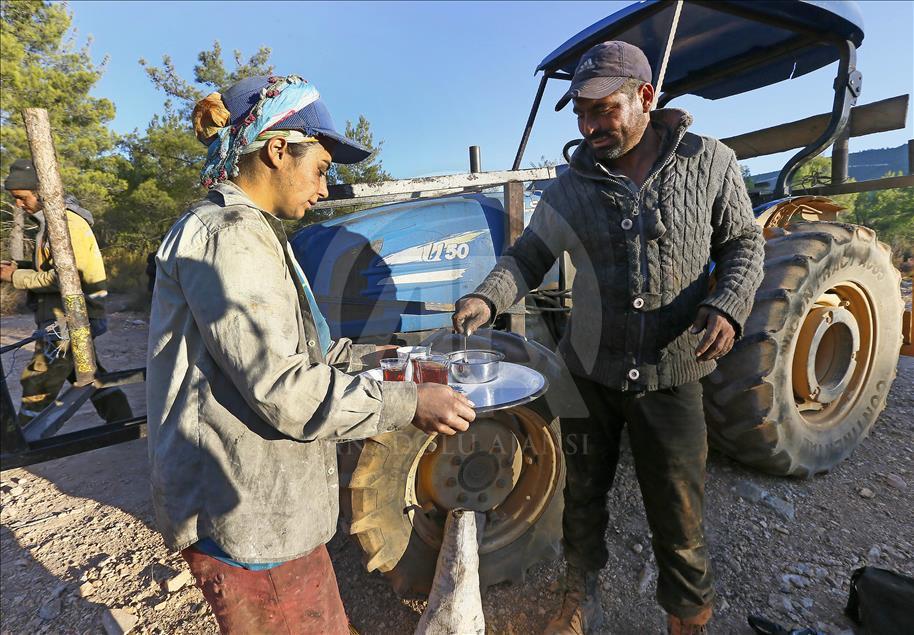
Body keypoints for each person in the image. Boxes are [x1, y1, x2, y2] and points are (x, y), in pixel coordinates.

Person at [453, 42, 765, 635]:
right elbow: (530, 255)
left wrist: (727, 305)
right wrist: (487, 295)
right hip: (589, 373)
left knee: (678, 509)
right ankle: (579, 599)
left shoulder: (709, 162)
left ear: (646, 98)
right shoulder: (572, 186)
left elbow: (745, 245)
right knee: (583, 497)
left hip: (673, 371)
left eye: (605, 109)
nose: (591, 125)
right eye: (581, 113)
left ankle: (687, 616)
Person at [146, 75, 476, 635]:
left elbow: (307, 354)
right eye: (321, 167)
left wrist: (387, 360)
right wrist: (407, 403)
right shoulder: (230, 235)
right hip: (248, 517)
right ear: (278, 149)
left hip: (266, 509)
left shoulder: (251, 231)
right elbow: (285, 390)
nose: (325, 188)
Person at [1, 159, 132, 425]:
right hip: (67, 318)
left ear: (40, 191)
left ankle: (22, 444)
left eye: (21, 197)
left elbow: (69, 277)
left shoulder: (66, 223)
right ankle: (123, 423)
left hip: (69, 319)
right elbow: (56, 266)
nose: (18, 204)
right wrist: (21, 266)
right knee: (88, 375)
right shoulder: (50, 222)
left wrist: (15, 276)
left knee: (39, 381)